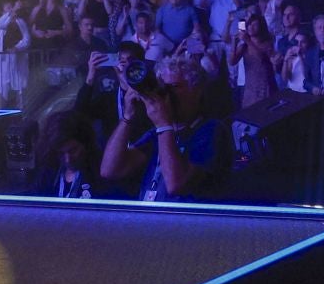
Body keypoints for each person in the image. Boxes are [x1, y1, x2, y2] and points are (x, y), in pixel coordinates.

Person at [99, 54, 232, 202]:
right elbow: (109, 170)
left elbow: (176, 185)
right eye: (163, 87)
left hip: (186, 223)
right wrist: (127, 116)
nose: (167, 94)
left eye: (175, 87)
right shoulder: (156, 134)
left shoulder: (211, 130)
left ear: (197, 90)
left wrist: (163, 126)